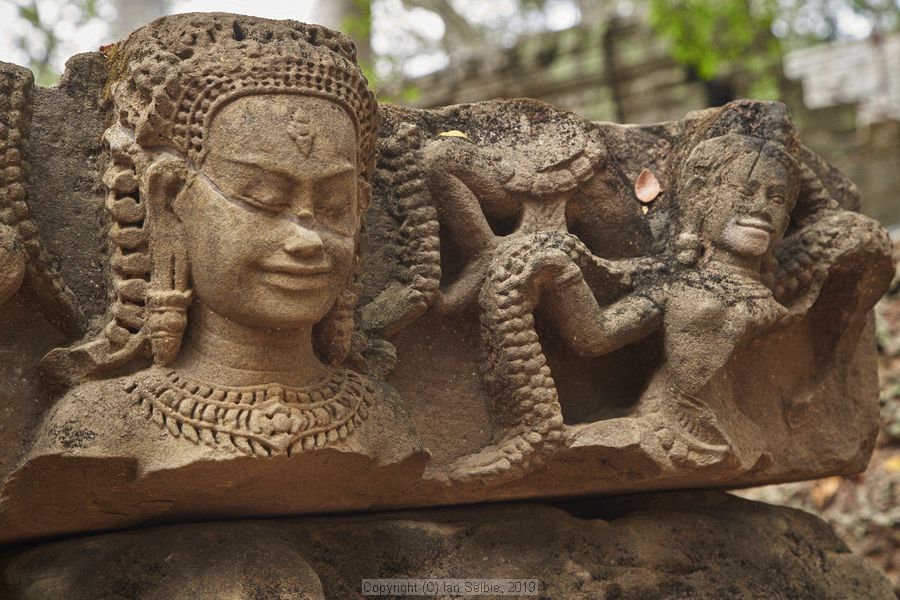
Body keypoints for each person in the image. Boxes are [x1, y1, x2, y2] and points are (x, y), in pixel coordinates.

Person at [29, 13, 422, 462]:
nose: (307, 240)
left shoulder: (383, 422)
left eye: (334, 207)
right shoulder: (100, 428)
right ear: (169, 202)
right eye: (265, 201)